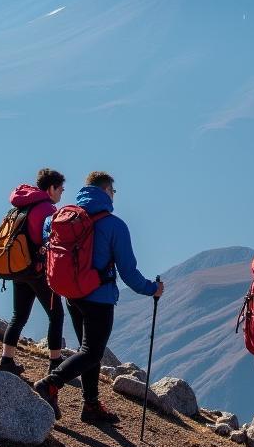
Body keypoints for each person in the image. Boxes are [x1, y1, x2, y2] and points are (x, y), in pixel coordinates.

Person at [33, 171, 163, 423]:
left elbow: (47, 243)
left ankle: (91, 405)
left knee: (87, 349)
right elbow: (128, 272)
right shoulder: (114, 225)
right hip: (98, 297)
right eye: (113, 192)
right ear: (105, 191)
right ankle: (50, 384)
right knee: (92, 352)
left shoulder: (60, 218)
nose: (114, 197)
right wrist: (152, 289)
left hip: (71, 294)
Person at [0, 168, 67, 376]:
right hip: (37, 271)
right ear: (51, 188)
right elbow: (51, 241)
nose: (61, 193)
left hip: (19, 269)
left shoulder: (21, 206)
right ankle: (55, 364)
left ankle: (6, 360)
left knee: (18, 316)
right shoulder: (47, 209)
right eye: (61, 189)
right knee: (56, 315)